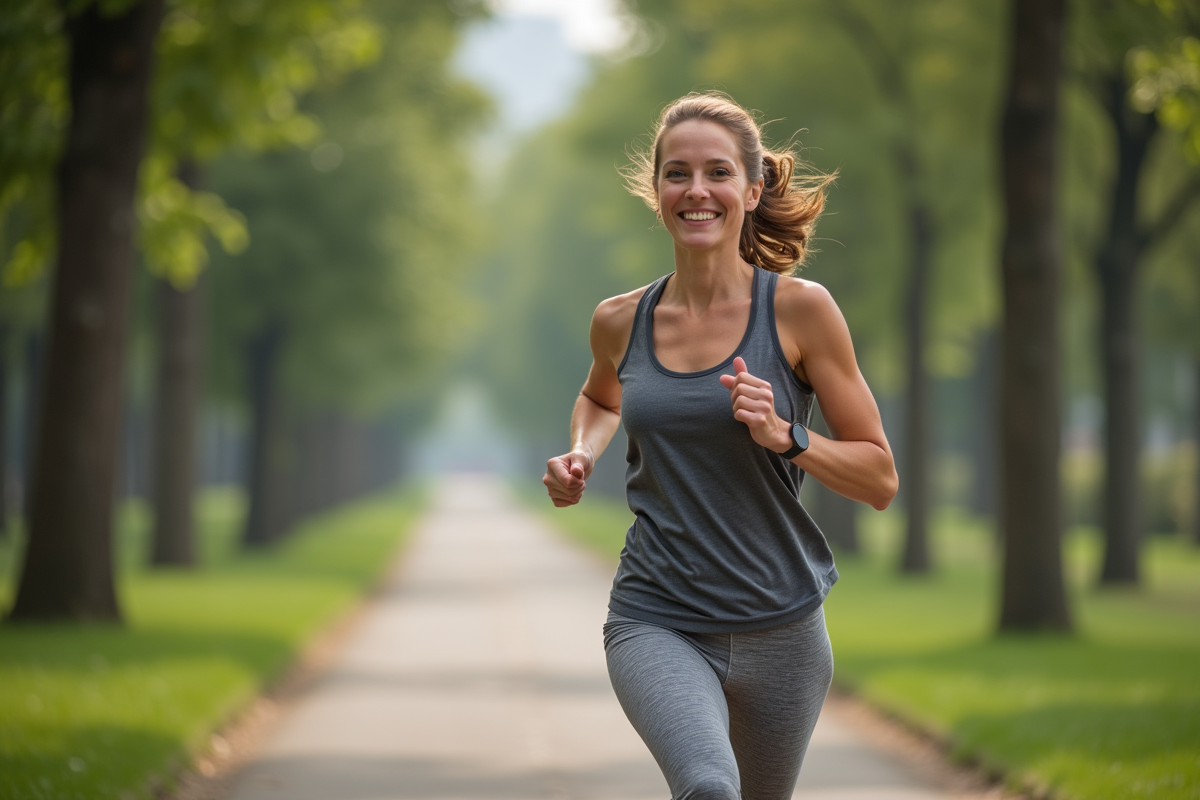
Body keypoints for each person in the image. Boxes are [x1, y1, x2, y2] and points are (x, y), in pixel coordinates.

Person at [542, 92, 898, 800]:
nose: (696, 191)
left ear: (752, 187)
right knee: (707, 786)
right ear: (656, 191)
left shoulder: (800, 311)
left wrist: (788, 437)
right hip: (658, 615)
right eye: (677, 173)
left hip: (783, 627)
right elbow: (600, 397)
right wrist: (582, 450)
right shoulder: (619, 320)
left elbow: (879, 477)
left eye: (717, 173)